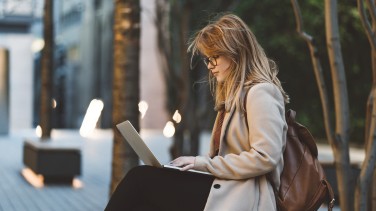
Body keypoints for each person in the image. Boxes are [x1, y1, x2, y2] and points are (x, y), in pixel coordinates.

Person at [105, 13, 289, 211]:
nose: (210, 65)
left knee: (140, 179)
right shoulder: (234, 96)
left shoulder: (261, 92)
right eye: (207, 59)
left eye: (215, 57)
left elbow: (265, 157)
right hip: (226, 188)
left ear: (236, 52)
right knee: (144, 196)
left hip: (246, 197)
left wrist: (200, 163)